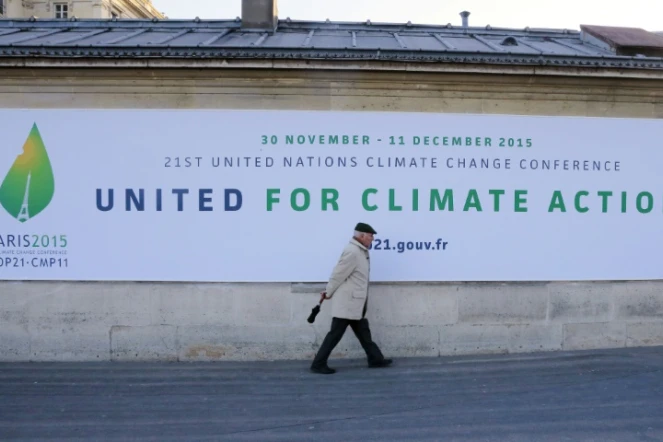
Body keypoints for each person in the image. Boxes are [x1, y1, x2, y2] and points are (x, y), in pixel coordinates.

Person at [310, 222, 393, 374]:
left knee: (363, 332)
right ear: (361, 236)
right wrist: (328, 292)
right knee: (335, 335)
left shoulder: (360, 251)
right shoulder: (353, 252)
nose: (372, 239)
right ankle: (318, 364)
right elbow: (338, 274)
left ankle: (376, 359)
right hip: (348, 303)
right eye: (370, 236)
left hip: (355, 303)